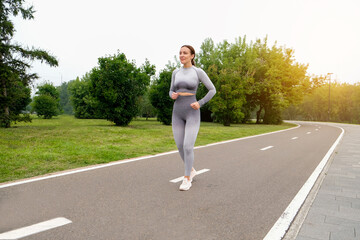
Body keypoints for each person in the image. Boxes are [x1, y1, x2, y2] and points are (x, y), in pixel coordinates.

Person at [169, 45, 216, 191]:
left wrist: (200, 103)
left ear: (192, 56)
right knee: (179, 146)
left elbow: (212, 90)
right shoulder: (175, 72)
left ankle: (187, 178)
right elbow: (171, 90)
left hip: (192, 112)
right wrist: (172, 95)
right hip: (177, 111)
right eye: (180, 53)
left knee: (188, 146)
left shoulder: (198, 72)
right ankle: (192, 170)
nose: (182, 55)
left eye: (185, 53)